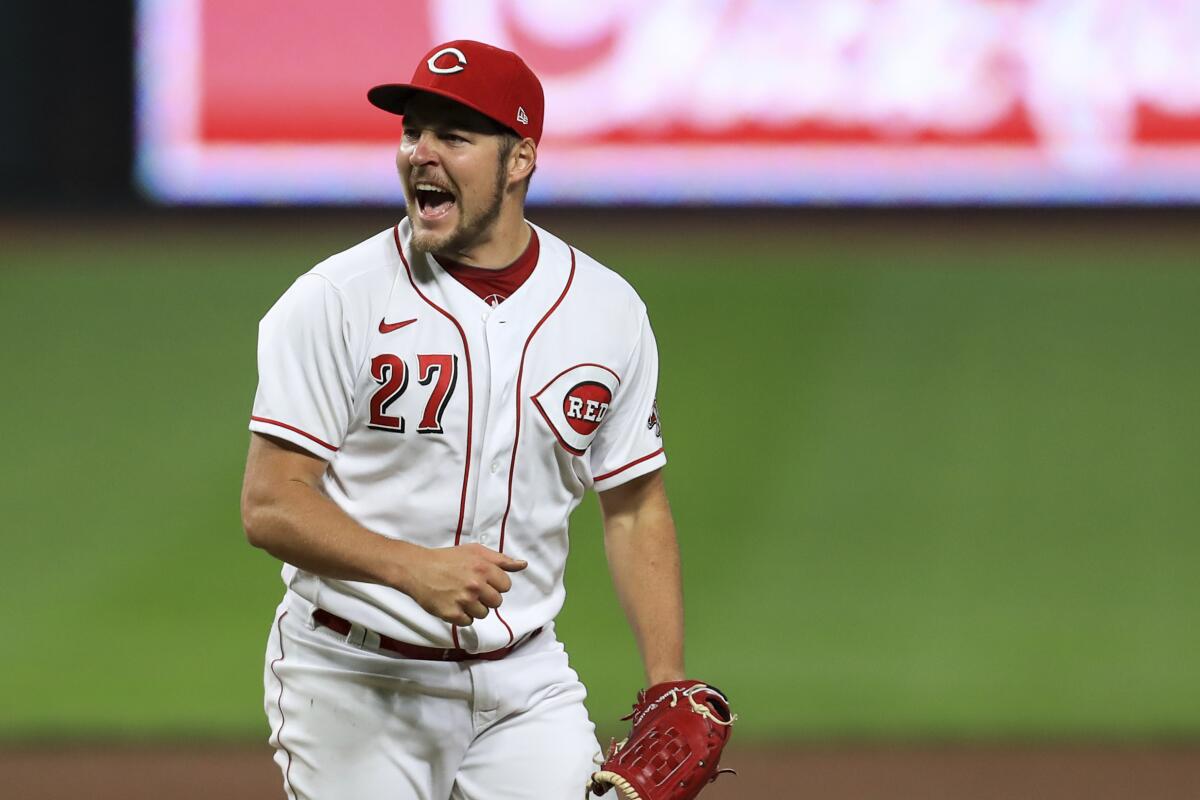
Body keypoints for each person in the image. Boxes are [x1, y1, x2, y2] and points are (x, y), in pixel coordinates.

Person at [240, 40, 685, 799]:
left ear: (520, 160)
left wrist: (668, 683)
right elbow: (271, 502)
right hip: (353, 676)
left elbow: (635, 504)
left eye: (455, 136)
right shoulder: (334, 299)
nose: (422, 155)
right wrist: (411, 567)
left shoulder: (607, 310)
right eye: (414, 132)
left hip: (526, 684)